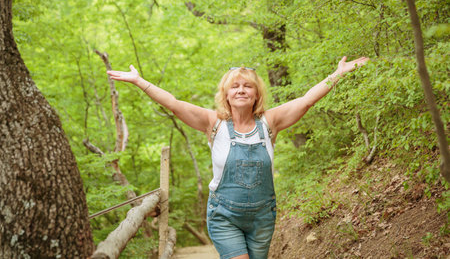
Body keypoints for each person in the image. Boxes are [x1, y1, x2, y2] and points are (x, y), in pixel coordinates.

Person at [106, 56, 369, 259]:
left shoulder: (270, 122)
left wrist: (338, 74)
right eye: (235, 86)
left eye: (247, 86)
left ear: (256, 94)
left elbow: (306, 100)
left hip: (263, 217)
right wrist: (140, 81)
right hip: (224, 216)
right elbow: (173, 103)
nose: (241, 90)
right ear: (226, 94)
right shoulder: (213, 123)